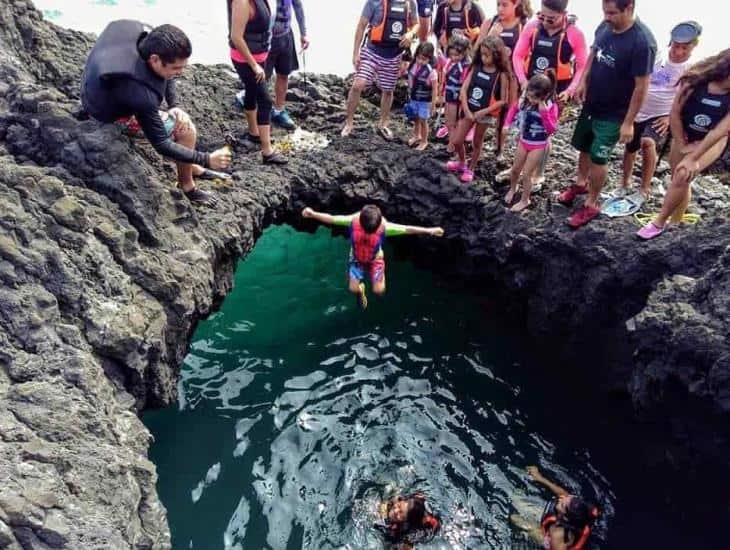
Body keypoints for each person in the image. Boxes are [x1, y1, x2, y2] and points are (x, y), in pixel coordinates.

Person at [80, 21, 232, 206]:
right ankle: (188, 187)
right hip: (106, 116)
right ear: (155, 59)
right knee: (186, 130)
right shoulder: (140, 94)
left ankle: (192, 166)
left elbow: (166, 76)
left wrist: (174, 105)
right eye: (176, 68)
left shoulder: (142, 40)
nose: (180, 72)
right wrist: (207, 159)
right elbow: (161, 143)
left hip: (92, 90)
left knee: (175, 109)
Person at [557, 0, 656, 229]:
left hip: (615, 112)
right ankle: (581, 183)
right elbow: (593, 53)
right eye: (604, 11)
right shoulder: (605, 26)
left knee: (599, 156)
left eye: (612, 13)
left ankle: (591, 203)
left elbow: (642, 86)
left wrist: (629, 122)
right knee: (583, 145)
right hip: (592, 102)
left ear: (629, 7)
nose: (607, 16)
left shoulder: (642, 42)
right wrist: (583, 81)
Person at [637, 49, 730, 239]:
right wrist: (682, 143)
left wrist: (694, 156)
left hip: (712, 140)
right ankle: (677, 222)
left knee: (682, 174)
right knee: (679, 179)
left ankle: (658, 223)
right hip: (685, 134)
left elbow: (720, 130)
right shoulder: (695, 80)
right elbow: (675, 113)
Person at [502, 0, 587, 184]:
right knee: (525, 124)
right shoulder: (532, 27)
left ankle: (537, 173)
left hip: (557, 90)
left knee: (544, 132)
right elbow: (517, 55)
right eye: (542, 16)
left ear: (564, 13)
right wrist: (523, 81)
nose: (546, 21)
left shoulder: (574, 33)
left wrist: (571, 91)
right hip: (531, 85)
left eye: (552, 18)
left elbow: (582, 66)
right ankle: (517, 167)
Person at [301, 205, 444, 309]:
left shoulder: (385, 227)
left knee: (378, 291)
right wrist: (313, 214)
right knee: (353, 289)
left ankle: (375, 284)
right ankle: (361, 288)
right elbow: (332, 219)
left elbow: (407, 229)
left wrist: (430, 230)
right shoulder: (353, 220)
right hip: (356, 258)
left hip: (375, 259)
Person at [620, 21, 700, 201]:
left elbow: (685, 98)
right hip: (638, 108)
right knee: (630, 147)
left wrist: (669, 118)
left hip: (661, 114)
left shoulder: (691, 68)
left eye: (684, 48)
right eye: (676, 46)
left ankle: (644, 188)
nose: (678, 52)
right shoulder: (657, 55)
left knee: (647, 143)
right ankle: (624, 183)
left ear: (693, 47)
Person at [342, 0, 420, 140]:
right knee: (357, 85)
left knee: (388, 90)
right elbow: (361, 26)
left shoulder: (410, 3)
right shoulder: (374, 2)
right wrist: (355, 53)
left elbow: (416, 24)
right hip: (372, 51)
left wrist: (411, 35)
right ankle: (349, 123)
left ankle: (383, 124)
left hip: (394, 55)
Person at [228, 0, 288, 164]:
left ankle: (254, 133)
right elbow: (236, 36)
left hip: (259, 54)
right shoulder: (241, 2)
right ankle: (267, 152)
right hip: (245, 60)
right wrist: (254, 65)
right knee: (266, 101)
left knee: (252, 91)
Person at [446, 36, 510, 183]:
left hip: (484, 114)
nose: (483, 58)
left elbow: (502, 100)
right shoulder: (475, 67)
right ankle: (462, 162)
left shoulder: (501, 75)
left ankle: (471, 167)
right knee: (456, 140)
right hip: (468, 110)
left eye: (487, 55)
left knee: (477, 142)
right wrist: (467, 110)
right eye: (481, 54)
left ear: (496, 55)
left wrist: (484, 111)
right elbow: (464, 89)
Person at [479, 0, 535, 157]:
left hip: (511, 78)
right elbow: (476, 51)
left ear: (516, 4)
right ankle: (477, 144)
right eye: (498, 4)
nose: (500, 9)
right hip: (489, 76)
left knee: (506, 112)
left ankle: (499, 148)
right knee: (483, 110)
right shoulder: (491, 22)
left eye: (504, 5)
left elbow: (529, 54)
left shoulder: (525, 25)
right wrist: (490, 37)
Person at [504, 71, 560, 211]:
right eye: (528, 95)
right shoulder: (525, 101)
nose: (530, 99)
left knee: (527, 174)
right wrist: (506, 124)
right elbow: (513, 109)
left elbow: (551, 129)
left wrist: (544, 114)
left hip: (538, 145)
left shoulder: (550, 107)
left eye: (534, 98)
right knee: (515, 169)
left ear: (545, 96)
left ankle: (525, 200)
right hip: (524, 140)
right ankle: (513, 188)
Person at [510, 466, 599, 550]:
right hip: (553, 522)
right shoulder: (578, 508)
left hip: (548, 541)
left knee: (514, 518)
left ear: (565, 517)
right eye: (568, 498)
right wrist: (540, 478)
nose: (561, 499)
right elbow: (563, 494)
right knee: (516, 501)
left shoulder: (560, 536)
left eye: (563, 505)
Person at [265, 0, 309, 130]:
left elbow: (298, 6)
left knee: (283, 74)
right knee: (262, 78)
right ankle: (258, 111)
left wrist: (303, 33)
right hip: (265, 38)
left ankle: (279, 110)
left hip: (285, 35)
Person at [440, 35, 471, 154]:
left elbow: (466, 83)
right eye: (451, 55)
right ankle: (451, 142)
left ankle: (453, 146)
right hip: (449, 94)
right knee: (448, 122)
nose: (454, 57)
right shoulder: (451, 62)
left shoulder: (466, 65)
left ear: (465, 52)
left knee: (454, 123)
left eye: (457, 55)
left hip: (457, 96)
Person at [375, 493, 441, 547]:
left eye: (401, 513)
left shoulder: (407, 532)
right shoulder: (402, 499)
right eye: (399, 505)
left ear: (405, 521)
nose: (395, 511)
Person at [406, 42, 438, 150]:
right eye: (418, 58)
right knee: (415, 118)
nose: (420, 61)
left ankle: (424, 141)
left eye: (424, 59)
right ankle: (416, 135)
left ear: (430, 58)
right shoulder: (413, 65)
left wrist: (433, 104)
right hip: (414, 97)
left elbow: (434, 89)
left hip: (425, 101)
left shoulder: (431, 72)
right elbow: (409, 78)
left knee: (423, 120)